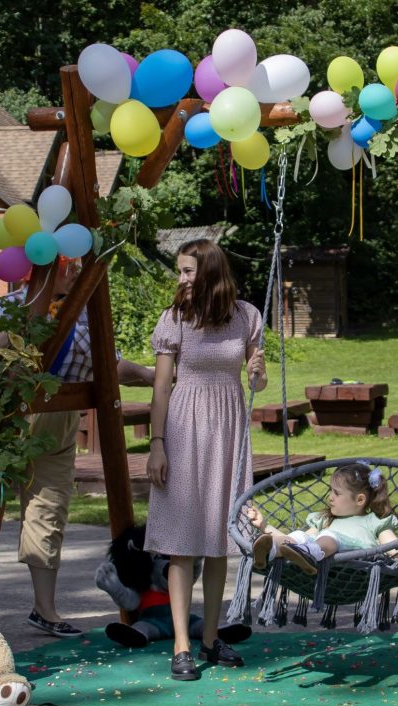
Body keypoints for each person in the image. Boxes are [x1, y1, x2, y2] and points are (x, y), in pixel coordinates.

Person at [0, 257, 153, 638]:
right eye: (69, 265)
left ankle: (45, 609)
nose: (77, 271)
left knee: (48, 510)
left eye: (78, 264)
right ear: (44, 268)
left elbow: (109, 365)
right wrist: (19, 332)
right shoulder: (6, 308)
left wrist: (151, 375)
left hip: (56, 420)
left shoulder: (83, 316)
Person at [145, 239, 266, 682]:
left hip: (227, 429)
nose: (180, 278)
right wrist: (157, 443)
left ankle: (211, 639)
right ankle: (181, 645)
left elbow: (259, 381)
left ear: (211, 272)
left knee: (219, 538)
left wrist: (257, 373)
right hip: (183, 427)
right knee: (182, 543)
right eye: (179, 270)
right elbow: (161, 387)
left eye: (187, 271)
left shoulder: (247, 317)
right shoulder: (175, 318)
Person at [245, 462, 398, 576]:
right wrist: (264, 526)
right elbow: (299, 538)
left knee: (329, 536)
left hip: (353, 568)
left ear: (360, 500)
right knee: (300, 535)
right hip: (317, 555)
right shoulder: (325, 519)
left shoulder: (374, 522)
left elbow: (395, 549)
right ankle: (270, 550)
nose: (330, 497)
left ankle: (308, 555)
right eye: (331, 491)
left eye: (336, 493)